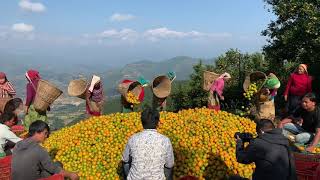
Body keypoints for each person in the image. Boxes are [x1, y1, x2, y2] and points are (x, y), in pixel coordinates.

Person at [12, 120, 79, 180]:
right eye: (45, 133)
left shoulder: (18, 144)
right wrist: (71, 174)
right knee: (58, 164)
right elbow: (53, 168)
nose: (46, 136)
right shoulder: (39, 149)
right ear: (37, 132)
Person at [122, 107, 174, 180]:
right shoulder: (165, 140)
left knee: (125, 163)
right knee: (170, 168)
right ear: (158, 122)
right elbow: (169, 165)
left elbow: (125, 159)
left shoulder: (133, 138)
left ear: (142, 122)